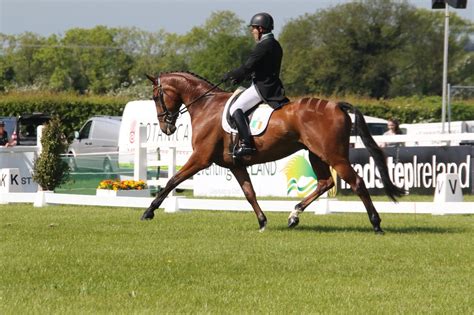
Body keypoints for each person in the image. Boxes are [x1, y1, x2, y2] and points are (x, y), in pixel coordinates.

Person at [223, 12, 289, 157]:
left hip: (263, 87)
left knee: (235, 108)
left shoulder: (264, 45)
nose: (252, 31)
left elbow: (248, 66)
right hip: (271, 84)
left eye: (253, 28)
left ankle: (247, 144)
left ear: (261, 28)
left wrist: (231, 74)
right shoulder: (275, 44)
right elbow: (259, 67)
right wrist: (241, 78)